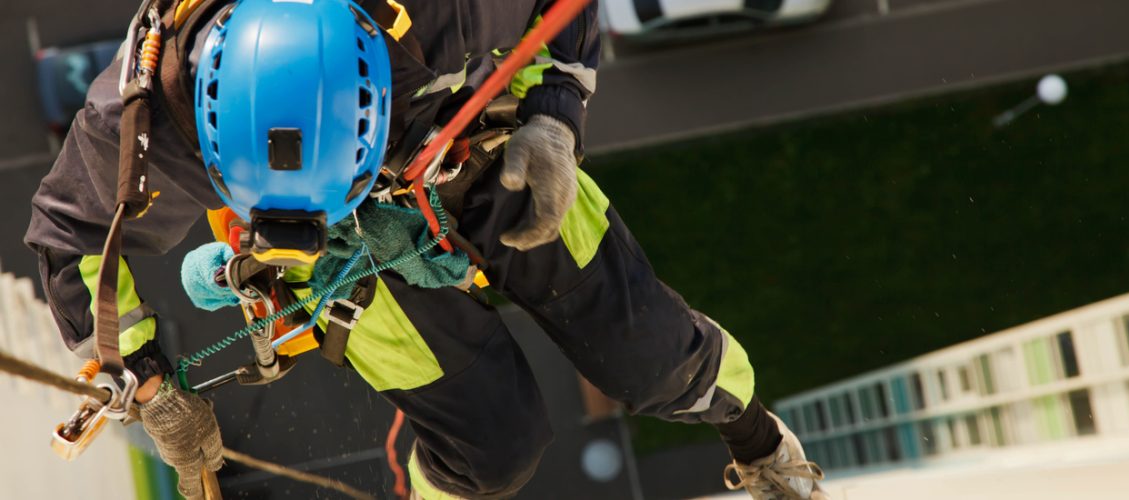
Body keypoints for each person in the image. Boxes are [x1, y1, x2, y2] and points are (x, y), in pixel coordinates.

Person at [24, 0, 828, 498]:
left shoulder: (460, 7)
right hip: (335, 253)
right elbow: (69, 236)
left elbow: (566, 9)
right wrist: (147, 378)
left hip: (479, 142)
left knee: (653, 361)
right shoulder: (152, 110)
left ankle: (761, 446)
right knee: (495, 451)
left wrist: (553, 114)